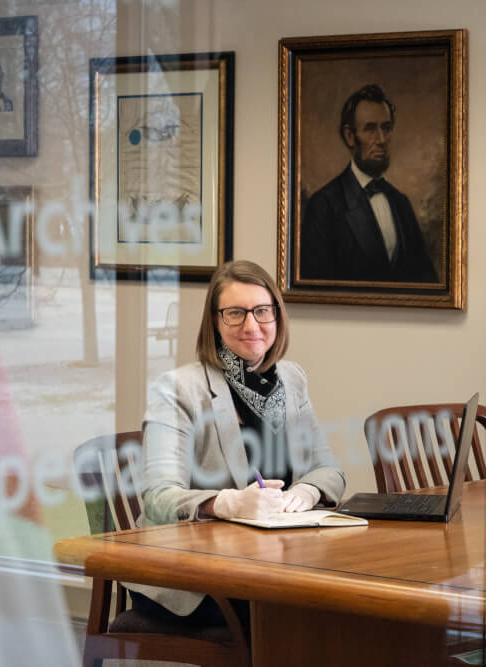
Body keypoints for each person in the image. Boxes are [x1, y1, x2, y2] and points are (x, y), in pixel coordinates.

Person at [129, 260, 346, 628]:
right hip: (188, 571)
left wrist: (307, 491)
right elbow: (159, 496)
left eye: (262, 311)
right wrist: (226, 503)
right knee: (300, 614)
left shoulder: (290, 379)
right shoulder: (178, 388)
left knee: (345, 602)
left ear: (277, 316)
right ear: (214, 321)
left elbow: (329, 470)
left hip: (271, 558)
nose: (251, 325)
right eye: (235, 313)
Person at [300, 84, 437, 283]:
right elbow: (315, 289)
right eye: (370, 129)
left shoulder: (401, 203)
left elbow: (427, 281)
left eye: (386, 128)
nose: (381, 139)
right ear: (350, 136)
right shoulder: (324, 205)